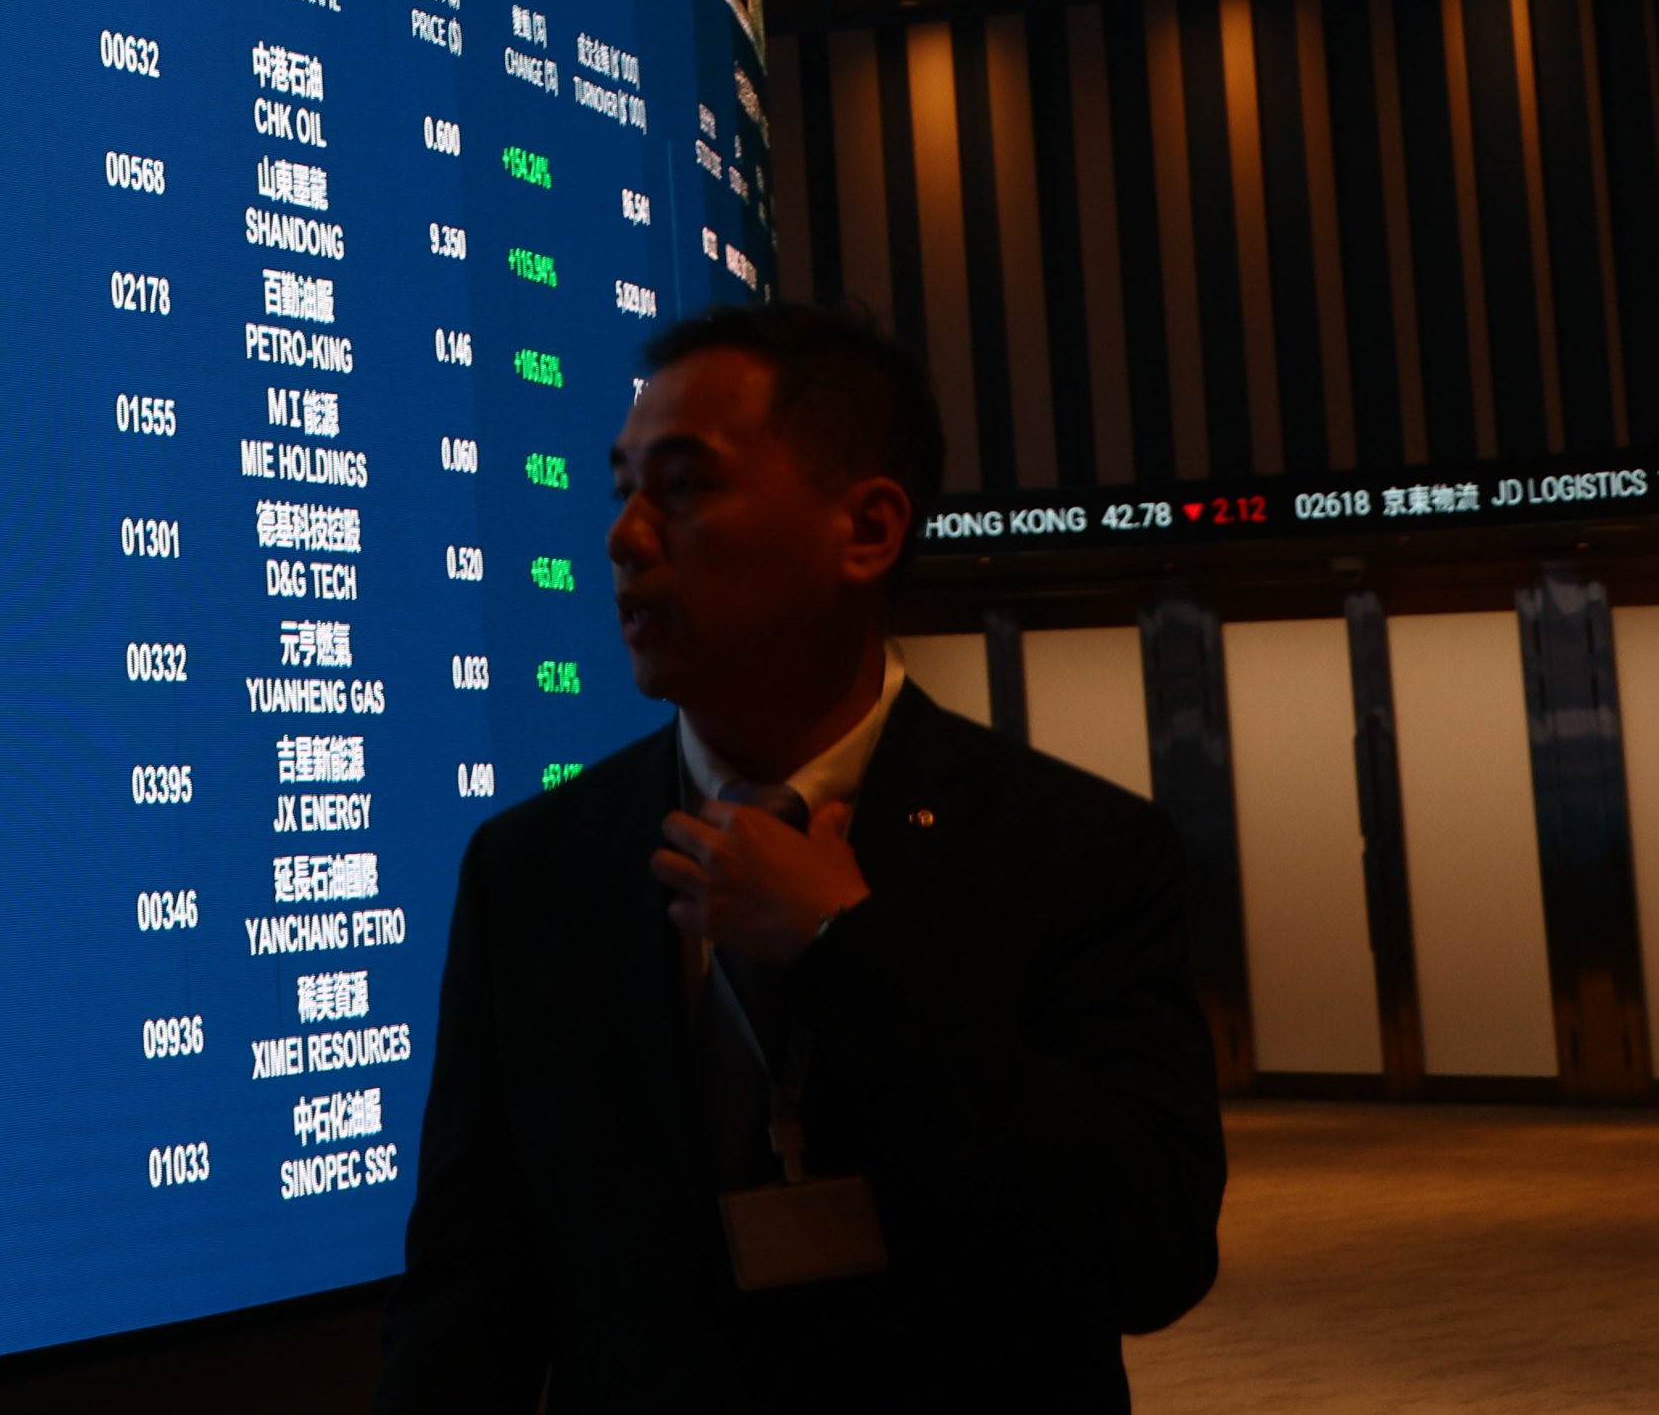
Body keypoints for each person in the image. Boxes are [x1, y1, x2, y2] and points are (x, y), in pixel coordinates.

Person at [376, 302, 1223, 1412]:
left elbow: (1148, 1254)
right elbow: (467, 1297)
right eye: (620, 488)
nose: (624, 537)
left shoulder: (1080, 850)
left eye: (681, 485)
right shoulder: (533, 869)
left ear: (865, 530)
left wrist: (847, 945)